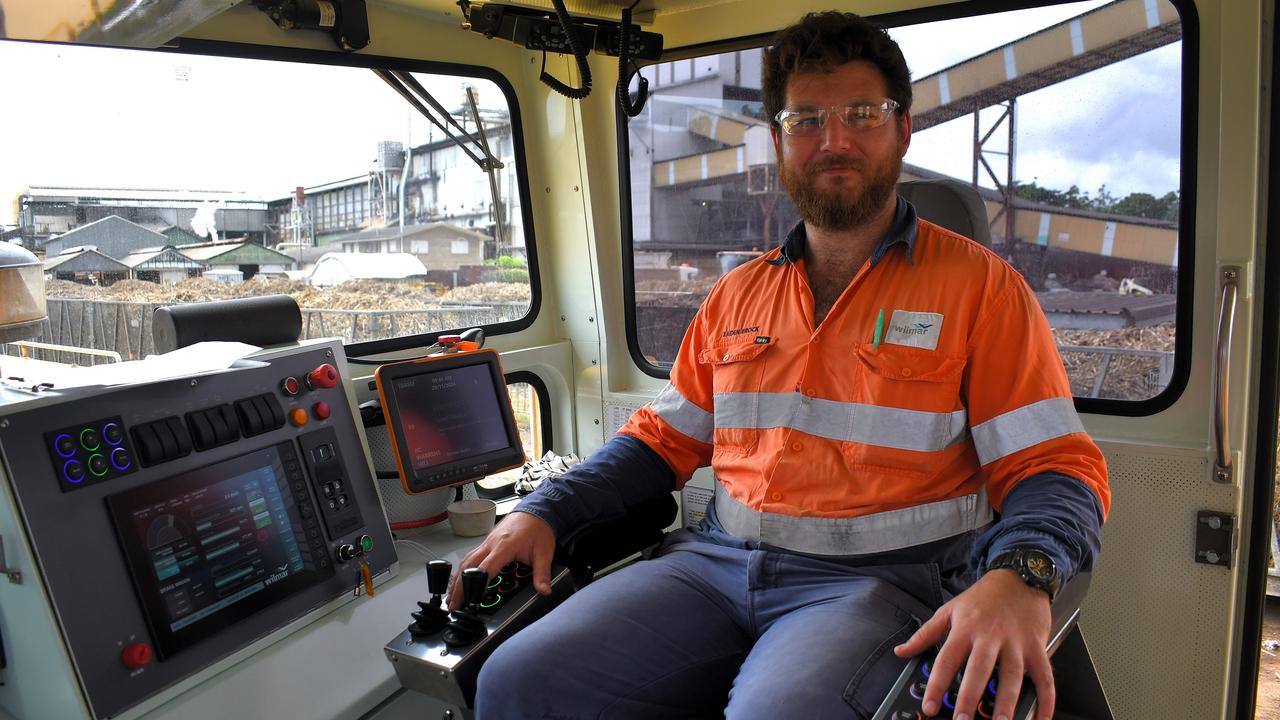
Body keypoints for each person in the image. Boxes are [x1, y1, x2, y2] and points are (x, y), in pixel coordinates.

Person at [452, 11, 1109, 720]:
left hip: (877, 587)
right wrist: (548, 510)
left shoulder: (982, 290)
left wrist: (1023, 576)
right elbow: (658, 443)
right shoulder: (738, 294)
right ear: (777, 142)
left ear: (903, 130)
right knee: (516, 679)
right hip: (711, 568)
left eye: (861, 113)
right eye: (805, 121)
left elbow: (1055, 469)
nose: (835, 141)